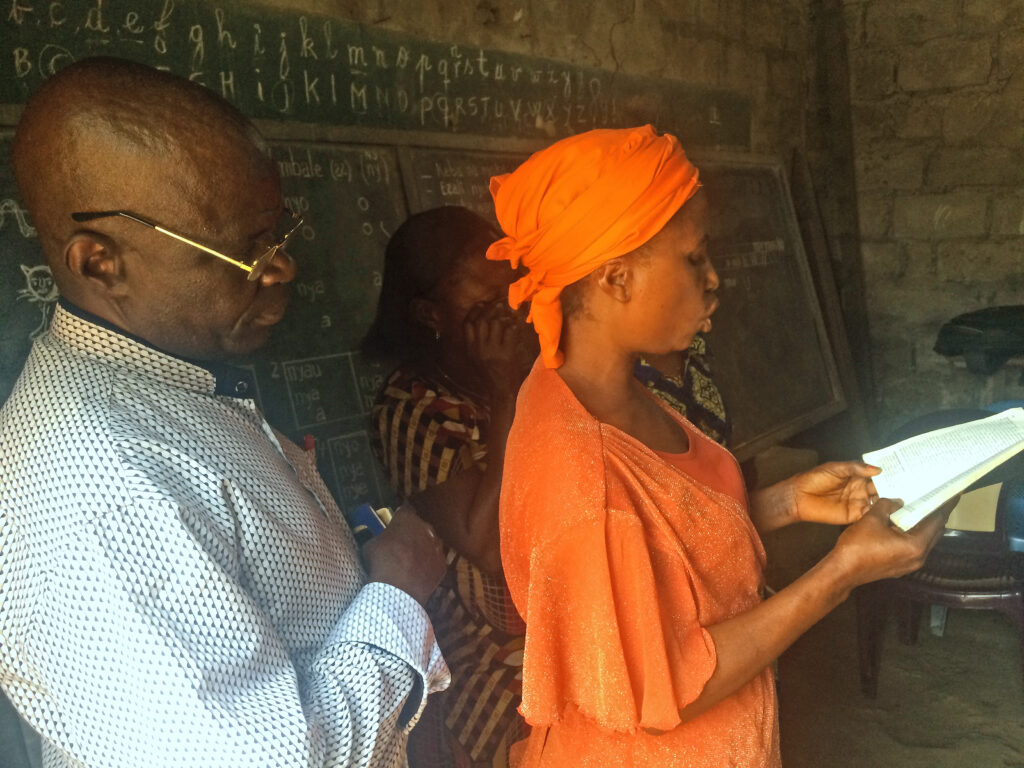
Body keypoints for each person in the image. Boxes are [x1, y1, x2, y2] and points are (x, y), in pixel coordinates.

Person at [0, 57, 449, 768]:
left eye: (280, 233)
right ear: (99, 263)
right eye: (244, 251)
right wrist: (394, 596)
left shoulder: (175, 385)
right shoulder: (105, 483)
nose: (283, 268)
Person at [487, 125, 952, 767]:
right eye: (694, 258)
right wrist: (843, 573)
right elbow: (667, 689)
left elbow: (659, 549)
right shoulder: (579, 470)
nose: (713, 281)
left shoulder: (600, 389)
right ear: (616, 278)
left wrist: (785, 503)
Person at [362, 206, 534, 768]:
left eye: (511, 294)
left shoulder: (532, 368)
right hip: (497, 677)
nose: (509, 315)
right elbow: (485, 542)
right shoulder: (413, 407)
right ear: (429, 314)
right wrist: (506, 393)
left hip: (566, 634)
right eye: (485, 306)